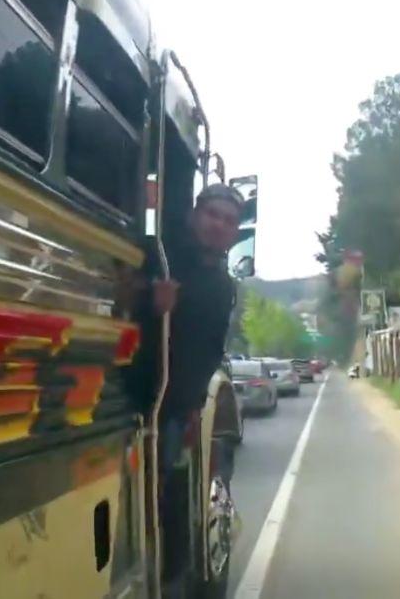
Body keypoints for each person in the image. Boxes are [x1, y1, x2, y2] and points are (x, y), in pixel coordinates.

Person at [124, 183, 243, 590]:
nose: (219, 226)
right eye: (213, 215)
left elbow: (210, 352)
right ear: (195, 215)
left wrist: (194, 406)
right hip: (126, 397)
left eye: (229, 221)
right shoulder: (158, 253)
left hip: (173, 412)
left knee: (164, 502)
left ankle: (168, 580)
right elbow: (111, 295)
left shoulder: (224, 286)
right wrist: (148, 305)